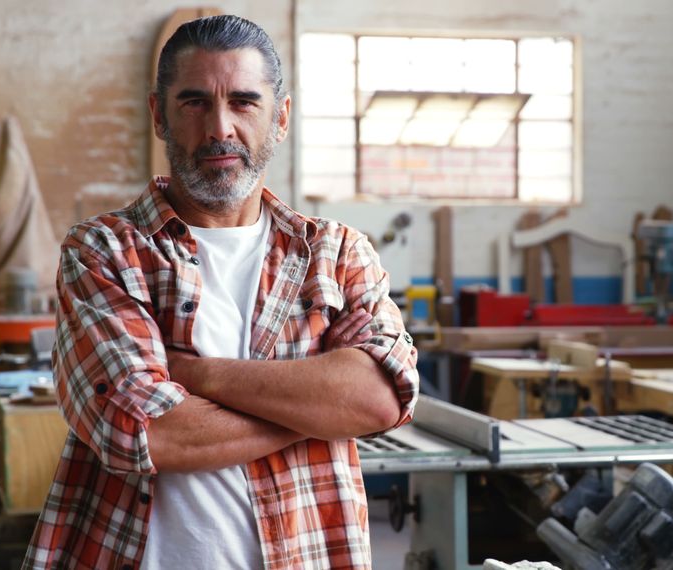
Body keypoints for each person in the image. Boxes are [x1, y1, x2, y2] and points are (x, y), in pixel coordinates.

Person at [23, 15, 418, 569]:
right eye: (194, 103)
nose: (220, 128)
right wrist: (324, 406)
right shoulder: (104, 251)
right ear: (159, 115)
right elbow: (145, 435)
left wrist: (193, 373)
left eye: (243, 102)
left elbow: (380, 398)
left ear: (280, 117)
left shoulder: (336, 253)